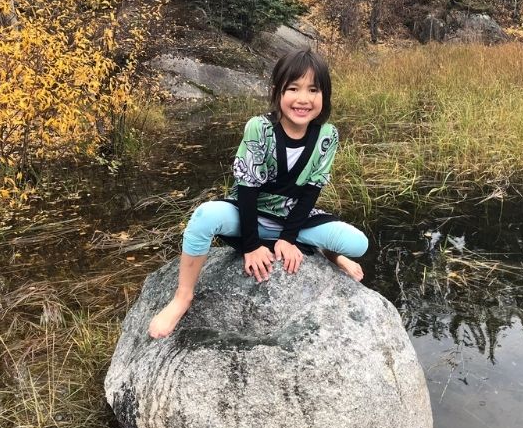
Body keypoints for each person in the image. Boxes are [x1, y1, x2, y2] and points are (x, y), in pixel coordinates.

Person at [148, 49, 368, 339]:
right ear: (278, 92)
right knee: (204, 217)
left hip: (293, 219)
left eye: (313, 90)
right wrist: (251, 246)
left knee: (358, 244)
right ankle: (182, 297)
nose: (303, 99)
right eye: (293, 89)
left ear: (324, 95)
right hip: (248, 213)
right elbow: (247, 190)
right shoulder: (259, 128)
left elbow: (312, 189)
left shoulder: (328, 135)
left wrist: (288, 240)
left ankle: (330, 254)